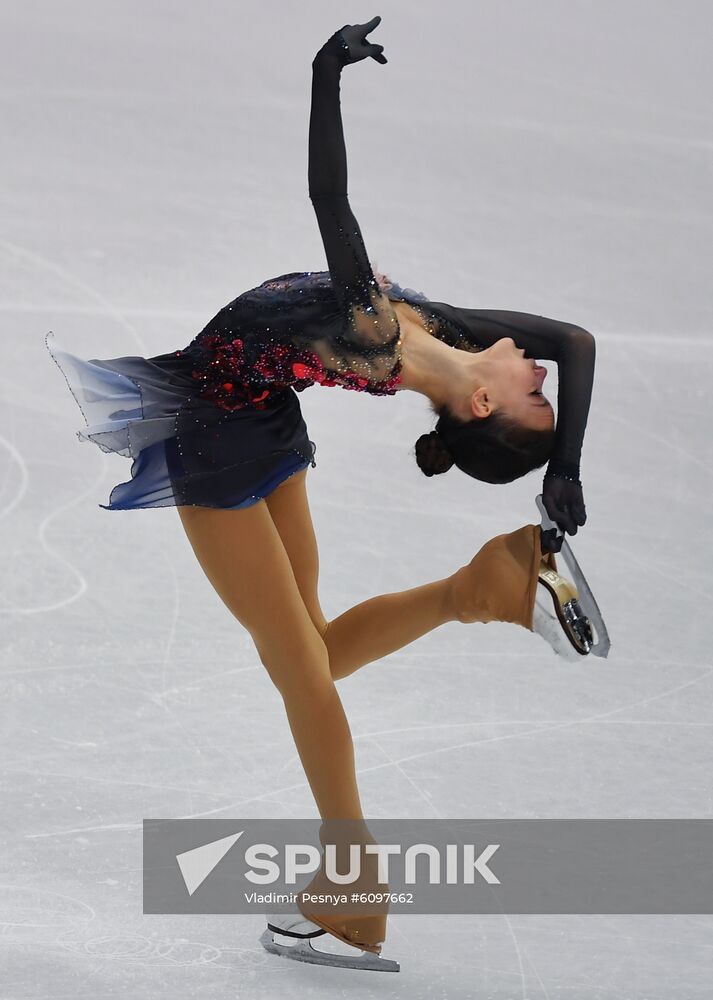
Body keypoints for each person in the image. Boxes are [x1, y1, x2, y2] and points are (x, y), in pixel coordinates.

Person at [44, 17, 597, 970]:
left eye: (532, 398)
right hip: (262, 419)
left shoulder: (379, 325)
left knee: (300, 667)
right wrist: (563, 466)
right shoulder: (444, 327)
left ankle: (352, 885)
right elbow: (580, 342)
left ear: (474, 402)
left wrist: (322, 76)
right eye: (539, 391)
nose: (539, 371)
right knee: (315, 654)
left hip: (221, 439)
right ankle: (482, 589)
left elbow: (327, 196)